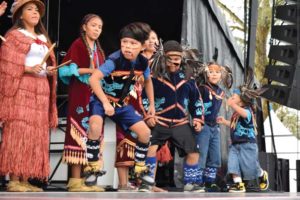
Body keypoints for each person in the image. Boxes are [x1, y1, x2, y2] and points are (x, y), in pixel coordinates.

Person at [86, 22, 155, 187]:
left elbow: (148, 81)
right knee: (95, 126)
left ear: (142, 46)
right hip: (101, 100)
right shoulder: (114, 60)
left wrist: (151, 103)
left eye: (132, 43)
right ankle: (93, 168)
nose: (127, 47)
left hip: (122, 104)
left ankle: (139, 168)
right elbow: (93, 79)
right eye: (124, 42)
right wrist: (104, 102)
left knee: (144, 132)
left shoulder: (143, 63)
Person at [0, 0, 57, 192]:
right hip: (22, 88)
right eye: (29, 9)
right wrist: (26, 68)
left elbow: (45, 63)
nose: (34, 12)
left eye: (36, 10)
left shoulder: (42, 37)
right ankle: (14, 179)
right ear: (20, 15)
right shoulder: (14, 36)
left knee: (35, 134)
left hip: (41, 89)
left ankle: (25, 178)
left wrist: (49, 70)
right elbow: (6, 64)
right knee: (19, 131)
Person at [140, 40, 204, 192]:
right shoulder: (154, 76)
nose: (175, 60)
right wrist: (149, 115)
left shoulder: (188, 77)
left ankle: (190, 183)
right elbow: (143, 97)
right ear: (163, 57)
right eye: (171, 57)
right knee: (151, 149)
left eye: (178, 57)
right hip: (159, 121)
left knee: (193, 152)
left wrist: (197, 118)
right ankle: (147, 183)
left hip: (180, 123)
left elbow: (196, 100)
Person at [58, 14, 105, 192]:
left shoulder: (99, 49)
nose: (97, 29)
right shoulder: (78, 44)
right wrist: (92, 70)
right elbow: (68, 69)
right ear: (84, 26)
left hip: (96, 95)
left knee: (94, 133)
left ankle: (89, 181)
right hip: (81, 93)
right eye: (94, 25)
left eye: (100, 27)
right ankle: (75, 181)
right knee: (78, 133)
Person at [115, 29, 161, 192]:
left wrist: (152, 108)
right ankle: (123, 183)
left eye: (154, 38)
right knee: (124, 140)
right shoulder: (125, 58)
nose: (151, 41)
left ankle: (146, 183)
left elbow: (150, 84)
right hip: (126, 102)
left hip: (145, 104)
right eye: (148, 38)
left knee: (148, 141)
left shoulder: (158, 62)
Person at [217, 69, 269, 192]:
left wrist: (233, 105)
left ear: (241, 100)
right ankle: (238, 184)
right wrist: (225, 122)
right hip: (235, 145)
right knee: (232, 164)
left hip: (247, 144)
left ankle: (262, 174)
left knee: (250, 167)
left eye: (234, 97)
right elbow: (236, 125)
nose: (231, 98)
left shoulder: (247, 111)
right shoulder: (236, 114)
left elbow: (245, 116)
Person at [194, 62, 233, 192]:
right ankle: (197, 182)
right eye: (211, 71)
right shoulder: (202, 88)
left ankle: (209, 182)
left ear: (221, 75)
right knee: (201, 154)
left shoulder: (220, 91)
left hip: (214, 127)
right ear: (206, 73)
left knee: (215, 156)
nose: (214, 74)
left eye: (217, 72)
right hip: (203, 126)